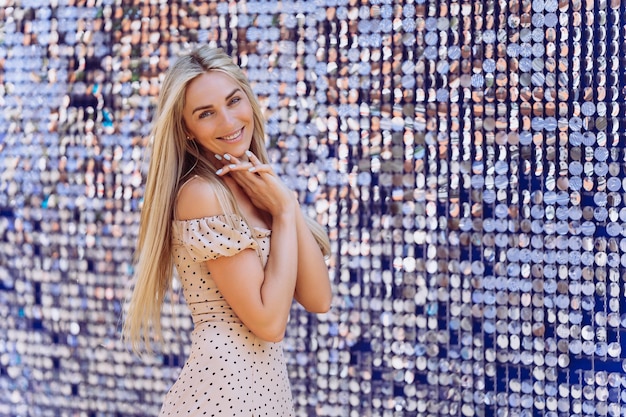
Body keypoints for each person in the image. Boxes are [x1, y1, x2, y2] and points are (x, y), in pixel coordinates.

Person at [123, 45, 332, 416]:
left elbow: (319, 299)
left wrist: (286, 205)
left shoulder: (259, 187)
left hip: (265, 395)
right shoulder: (202, 195)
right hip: (221, 397)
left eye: (234, 100)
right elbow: (269, 322)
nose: (228, 121)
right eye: (206, 113)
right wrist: (283, 213)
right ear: (187, 130)